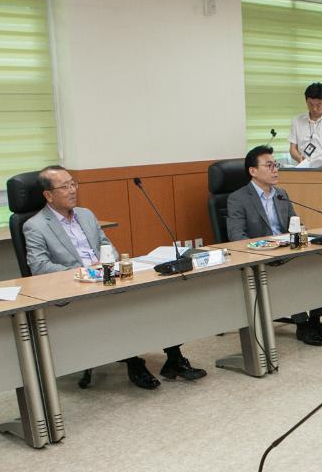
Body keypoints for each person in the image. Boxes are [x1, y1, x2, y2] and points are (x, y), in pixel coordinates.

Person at [22, 165, 205, 387]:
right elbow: (39, 267)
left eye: (73, 184)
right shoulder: (35, 226)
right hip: (78, 288)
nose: (72, 190)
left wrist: (108, 263)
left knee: (156, 295)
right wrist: (85, 273)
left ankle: (174, 359)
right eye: (64, 187)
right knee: (120, 307)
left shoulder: (86, 214)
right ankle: (134, 363)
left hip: (108, 277)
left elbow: (107, 245)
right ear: (48, 195)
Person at [228, 145, 322, 347]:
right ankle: (302, 324)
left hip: (287, 250)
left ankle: (316, 321)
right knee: (292, 269)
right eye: (269, 165)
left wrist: (302, 236)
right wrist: (265, 247)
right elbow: (236, 237)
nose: (275, 169)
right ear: (253, 171)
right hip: (261, 257)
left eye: (276, 165)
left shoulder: (281, 194)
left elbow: (295, 223)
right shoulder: (238, 198)